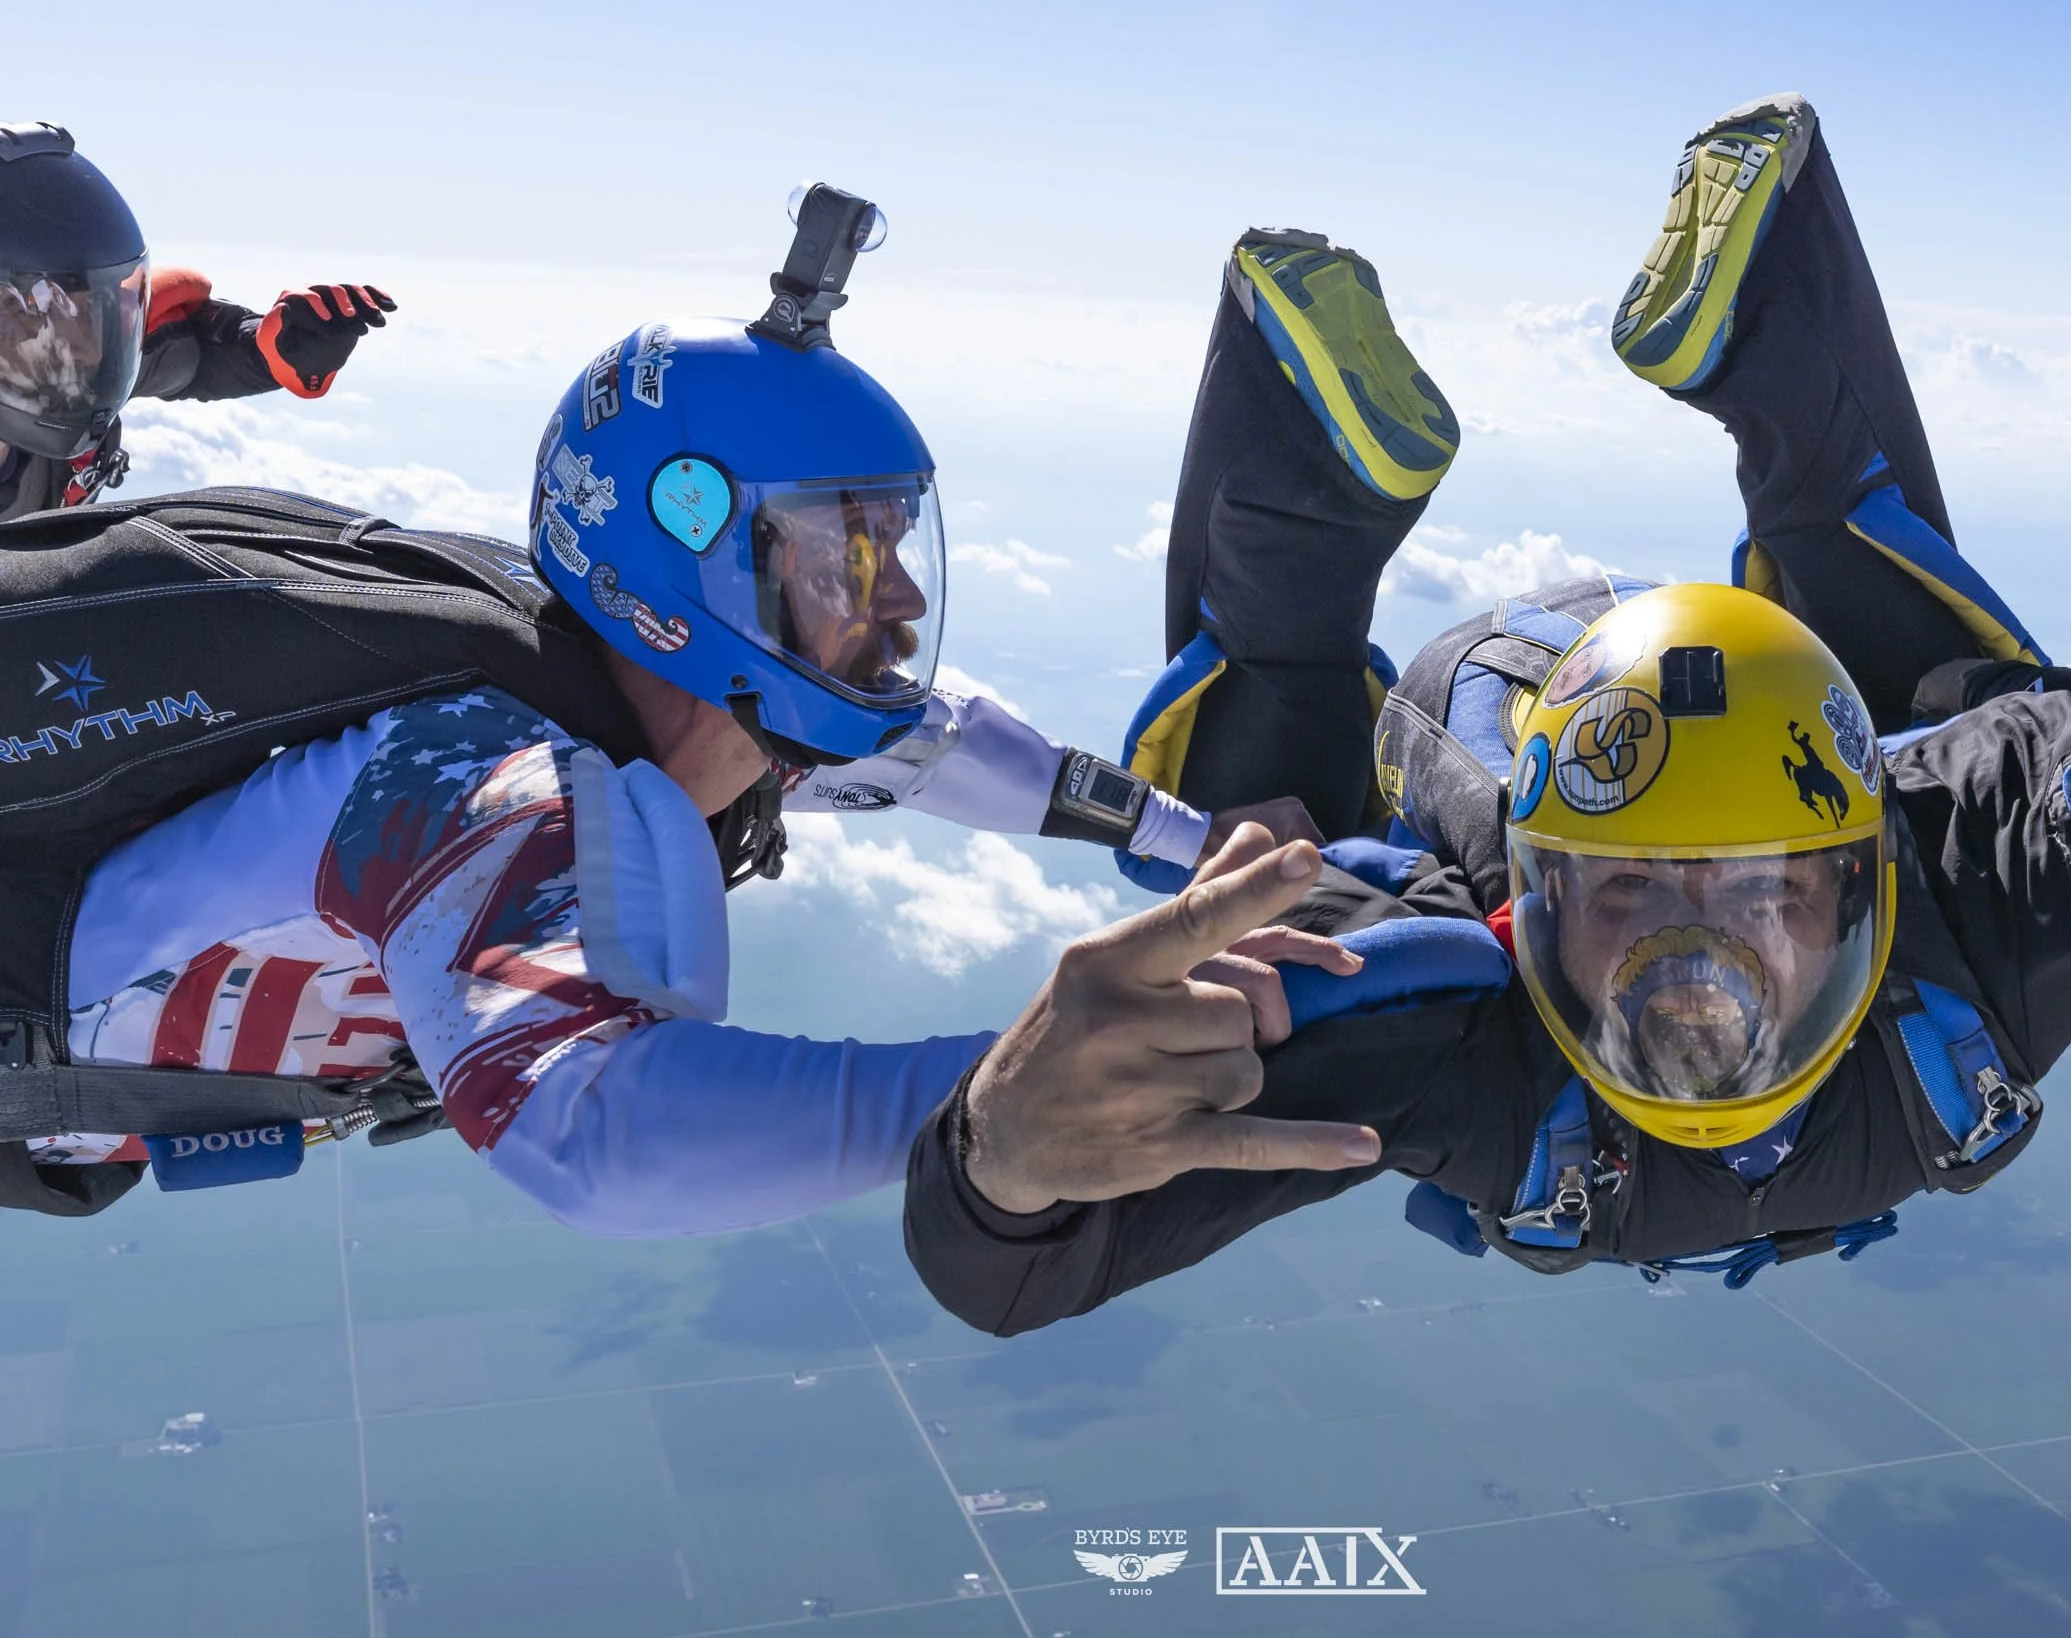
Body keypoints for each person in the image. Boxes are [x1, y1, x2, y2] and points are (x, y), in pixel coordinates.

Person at [902, 95, 2071, 1334]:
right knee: (1256, 871)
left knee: (1256, 849)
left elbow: (1008, 1268)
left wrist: (1005, 1159)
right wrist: (1015, 1139)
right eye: (1629, 898)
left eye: (1761, 891)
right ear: (1528, 912)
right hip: (1517, 692)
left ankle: (1330, 482)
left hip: (1634, 726)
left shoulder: (1461, 1054)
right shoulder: (1975, 929)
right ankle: (1751, 333)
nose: (1699, 971)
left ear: (1859, 884)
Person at [15, 187, 1344, 1228]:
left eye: (895, 548)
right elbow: (598, 1138)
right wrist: (999, 1099)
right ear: (689, 577)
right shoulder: (474, 775)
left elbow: (940, 739)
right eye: (848, 560)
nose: (895, 612)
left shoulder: (668, 686)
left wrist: (1197, 839)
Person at [0, 121, 395, 521]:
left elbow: (188, 352)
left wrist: (274, 347)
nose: (88, 345)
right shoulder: (52, 369)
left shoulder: (65, 371)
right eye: (27, 312)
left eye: (93, 307)